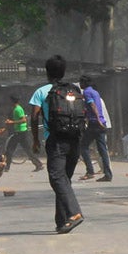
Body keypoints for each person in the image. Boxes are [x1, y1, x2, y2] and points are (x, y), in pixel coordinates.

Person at [30, 55, 84, 233]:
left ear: (47, 72)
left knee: (56, 177)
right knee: (64, 180)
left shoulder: (41, 92)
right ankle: (62, 221)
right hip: (75, 139)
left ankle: (74, 213)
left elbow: (34, 116)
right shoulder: (73, 90)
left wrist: (36, 140)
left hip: (56, 140)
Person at [77, 75, 113, 182]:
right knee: (103, 150)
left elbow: (92, 105)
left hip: (94, 123)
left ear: (84, 83)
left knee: (83, 146)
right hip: (101, 123)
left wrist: (97, 118)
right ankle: (108, 174)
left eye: (81, 82)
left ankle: (90, 171)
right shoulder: (95, 92)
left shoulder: (87, 92)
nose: (80, 84)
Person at [3, 95, 44, 172]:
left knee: (13, 149)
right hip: (18, 132)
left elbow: (23, 120)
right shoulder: (15, 109)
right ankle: (6, 166)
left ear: (12, 101)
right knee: (11, 149)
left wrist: (12, 122)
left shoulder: (18, 109)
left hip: (21, 133)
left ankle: (38, 164)